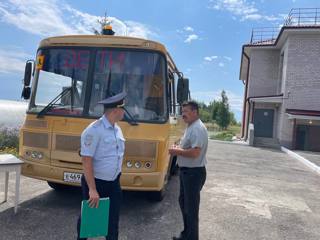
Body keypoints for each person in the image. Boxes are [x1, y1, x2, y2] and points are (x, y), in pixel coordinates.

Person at [77, 92, 126, 240]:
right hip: (96, 183)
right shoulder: (94, 130)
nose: (124, 112)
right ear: (115, 111)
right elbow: (86, 160)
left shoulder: (117, 129)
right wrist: (92, 189)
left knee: (113, 223)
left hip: (114, 183)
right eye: (123, 109)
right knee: (89, 221)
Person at [169, 100, 208, 240]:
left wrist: (177, 151)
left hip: (193, 173)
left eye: (186, 111)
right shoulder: (191, 126)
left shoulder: (197, 128)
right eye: (182, 111)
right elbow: (187, 146)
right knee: (184, 204)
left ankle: (191, 238)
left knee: (191, 209)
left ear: (195, 112)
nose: (183, 114)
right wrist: (178, 146)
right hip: (187, 172)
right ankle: (187, 235)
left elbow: (195, 153)